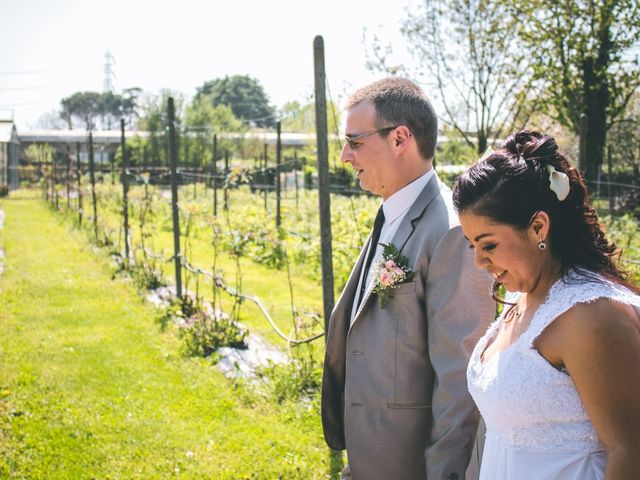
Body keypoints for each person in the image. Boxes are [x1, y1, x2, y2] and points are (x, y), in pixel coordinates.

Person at [321, 77, 495, 480]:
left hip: (409, 466)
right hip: (370, 455)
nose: (345, 156)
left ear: (400, 138)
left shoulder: (451, 232)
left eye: (355, 141)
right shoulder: (392, 212)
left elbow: (460, 378)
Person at [453, 129, 640, 479]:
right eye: (471, 246)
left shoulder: (592, 316)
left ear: (538, 226)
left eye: (488, 245)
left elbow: (631, 451)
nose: (479, 262)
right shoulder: (520, 296)